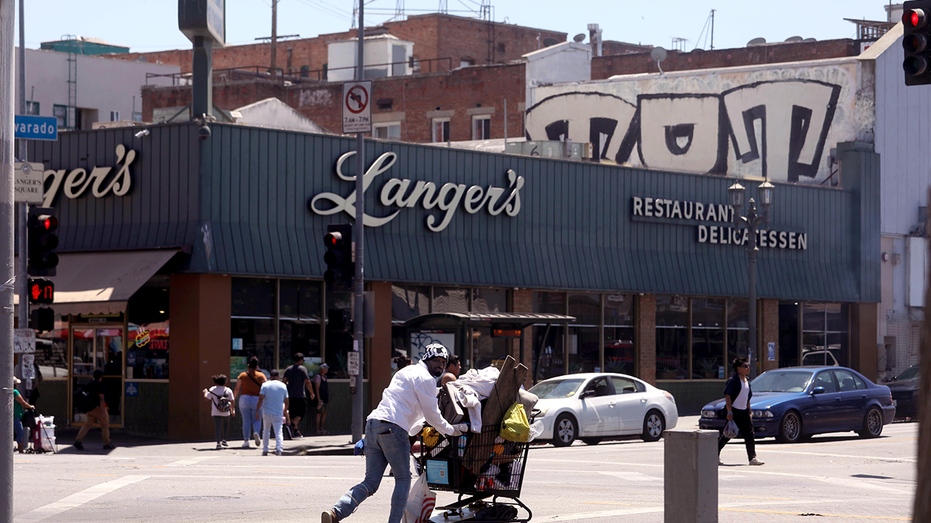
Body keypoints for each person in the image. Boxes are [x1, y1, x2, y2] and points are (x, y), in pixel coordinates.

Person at [321, 343, 468, 523]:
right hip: (393, 427)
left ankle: (336, 512)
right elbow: (432, 415)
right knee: (403, 479)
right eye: (436, 360)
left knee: (371, 482)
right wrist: (453, 430)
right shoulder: (426, 379)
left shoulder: (405, 372)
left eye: (443, 362)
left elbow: (414, 416)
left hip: (373, 425)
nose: (440, 365)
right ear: (426, 359)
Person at [718, 357, 764, 466]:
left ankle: (752, 458)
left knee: (749, 435)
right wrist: (729, 412)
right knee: (727, 434)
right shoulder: (733, 381)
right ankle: (714, 454)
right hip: (734, 412)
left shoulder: (747, 380)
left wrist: (749, 410)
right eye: (745, 366)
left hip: (744, 412)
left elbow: (747, 397)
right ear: (738, 368)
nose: (748, 368)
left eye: (748, 366)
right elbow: (728, 397)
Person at [74, 370, 115, 451]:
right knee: (105, 425)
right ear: (101, 377)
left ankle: (78, 440)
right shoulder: (100, 385)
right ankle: (106, 443)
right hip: (98, 408)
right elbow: (101, 398)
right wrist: (103, 412)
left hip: (90, 409)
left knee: (87, 425)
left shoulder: (90, 384)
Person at [232, 356, 267, 449]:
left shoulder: (242, 375)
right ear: (257, 367)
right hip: (257, 399)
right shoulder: (261, 375)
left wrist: (233, 399)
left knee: (246, 420)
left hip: (244, 398)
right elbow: (265, 388)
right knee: (257, 418)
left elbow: (237, 388)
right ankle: (256, 432)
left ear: (248, 366)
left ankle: (246, 440)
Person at [256, 369, 290, 456]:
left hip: (266, 411)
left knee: (266, 430)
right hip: (278, 412)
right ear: (278, 377)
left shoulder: (265, 385)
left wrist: (257, 411)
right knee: (278, 431)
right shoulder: (283, 386)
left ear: (270, 377)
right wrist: (285, 410)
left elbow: (261, 398)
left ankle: (265, 449)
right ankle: (279, 449)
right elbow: (286, 400)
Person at [283, 353, 315, 437]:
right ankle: (292, 426)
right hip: (300, 395)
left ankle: (296, 431)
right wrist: (312, 393)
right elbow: (307, 382)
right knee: (301, 413)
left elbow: (284, 381)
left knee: (293, 414)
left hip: (290, 395)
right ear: (301, 360)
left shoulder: (288, 369)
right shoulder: (302, 369)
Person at [204, 374, 235, 449]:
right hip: (226, 411)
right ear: (225, 382)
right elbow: (232, 401)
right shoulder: (228, 390)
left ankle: (218, 443)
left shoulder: (213, 389)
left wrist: (205, 391)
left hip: (216, 411)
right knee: (226, 425)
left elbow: (206, 398)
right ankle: (224, 440)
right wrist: (232, 410)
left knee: (218, 427)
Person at [12, 377, 34, 453]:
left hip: (11, 415)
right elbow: (23, 403)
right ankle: (20, 449)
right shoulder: (14, 392)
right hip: (16, 415)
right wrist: (30, 406)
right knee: (20, 432)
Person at [313, 363, 330, 434]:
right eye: (324, 367)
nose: (326, 369)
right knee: (319, 414)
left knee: (324, 414)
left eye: (327, 367)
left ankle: (322, 429)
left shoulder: (325, 377)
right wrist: (318, 398)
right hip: (320, 399)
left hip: (325, 398)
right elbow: (317, 388)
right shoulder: (318, 376)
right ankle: (317, 429)